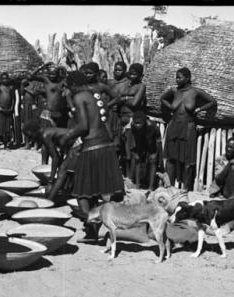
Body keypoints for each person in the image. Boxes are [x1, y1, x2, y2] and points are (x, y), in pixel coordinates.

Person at [60, 71, 124, 242]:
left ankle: (91, 230)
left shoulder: (80, 96)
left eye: (68, 86)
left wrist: (68, 136)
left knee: (83, 193)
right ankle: (97, 227)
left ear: (73, 85)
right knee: (98, 192)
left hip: (92, 146)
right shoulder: (95, 94)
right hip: (106, 146)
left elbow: (83, 126)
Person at [160, 67, 217, 190]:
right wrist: (170, 107)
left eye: (179, 77)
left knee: (188, 161)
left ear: (187, 78)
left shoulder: (195, 92)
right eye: (176, 77)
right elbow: (163, 98)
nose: (177, 79)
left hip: (188, 127)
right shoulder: (174, 91)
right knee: (171, 158)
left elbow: (212, 102)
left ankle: (186, 189)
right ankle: (169, 187)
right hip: (174, 126)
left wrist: (199, 109)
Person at [22, 119, 80, 201]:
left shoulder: (45, 135)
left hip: (78, 143)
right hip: (74, 144)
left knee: (63, 171)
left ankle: (50, 201)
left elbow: (55, 157)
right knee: (65, 170)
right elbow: (58, 156)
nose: (31, 139)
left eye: (30, 137)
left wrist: (51, 181)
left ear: (34, 132)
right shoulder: (45, 132)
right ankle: (67, 191)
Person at [117, 63, 148, 178]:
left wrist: (124, 99)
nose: (132, 76)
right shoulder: (126, 85)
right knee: (122, 150)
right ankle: (124, 175)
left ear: (140, 75)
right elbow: (117, 98)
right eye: (131, 73)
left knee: (132, 151)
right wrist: (128, 98)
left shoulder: (141, 86)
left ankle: (132, 178)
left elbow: (135, 103)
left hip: (132, 119)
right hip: (121, 118)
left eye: (135, 74)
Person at [130, 111, 162, 190]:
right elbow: (134, 139)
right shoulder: (133, 126)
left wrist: (156, 153)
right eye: (135, 123)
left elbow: (158, 141)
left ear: (144, 122)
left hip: (152, 143)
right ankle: (137, 185)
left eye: (139, 123)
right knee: (137, 159)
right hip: (140, 142)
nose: (137, 125)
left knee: (153, 161)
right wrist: (135, 153)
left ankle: (150, 187)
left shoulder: (153, 126)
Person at [20, 79, 44, 149]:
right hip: (26, 107)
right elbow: (21, 93)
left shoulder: (34, 84)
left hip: (33, 106)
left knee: (34, 125)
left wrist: (27, 89)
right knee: (26, 125)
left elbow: (35, 93)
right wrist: (22, 85)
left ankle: (36, 144)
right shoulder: (24, 85)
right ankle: (27, 144)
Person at [0, 72, 15, 150]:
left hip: (8, 110)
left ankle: (6, 145)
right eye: (3, 78)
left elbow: (13, 98)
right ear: (1, 79)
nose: (5, 80)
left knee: (7, 128)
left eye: (6, 78)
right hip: (1, 109)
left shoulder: (10, 88)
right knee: (0, 127)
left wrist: (12, 107)